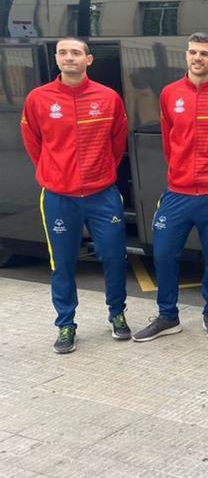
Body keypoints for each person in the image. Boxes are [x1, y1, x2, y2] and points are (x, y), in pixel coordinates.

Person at [132, 32, 208, 343]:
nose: (198, 58)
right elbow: (170, 140)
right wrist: (181, 171)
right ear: (186, 56)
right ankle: (168, 316)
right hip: (178, 192)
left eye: (204, 53)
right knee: (164, 254)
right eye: (193, 52)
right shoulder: (169, 94)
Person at [20, 37, 130, 353]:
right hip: (59, 197)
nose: (70, 58)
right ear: (56, 58)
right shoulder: (39, 99)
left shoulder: (108, 98)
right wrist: (55, 172)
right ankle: (66, 324)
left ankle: (117, 314)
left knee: (114, 257)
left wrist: (99, 171)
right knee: (63, 263)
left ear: (89, 59)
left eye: (76, 53)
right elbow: (33, 143)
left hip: (102, 194)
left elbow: (117, 143)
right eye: (64, 53)